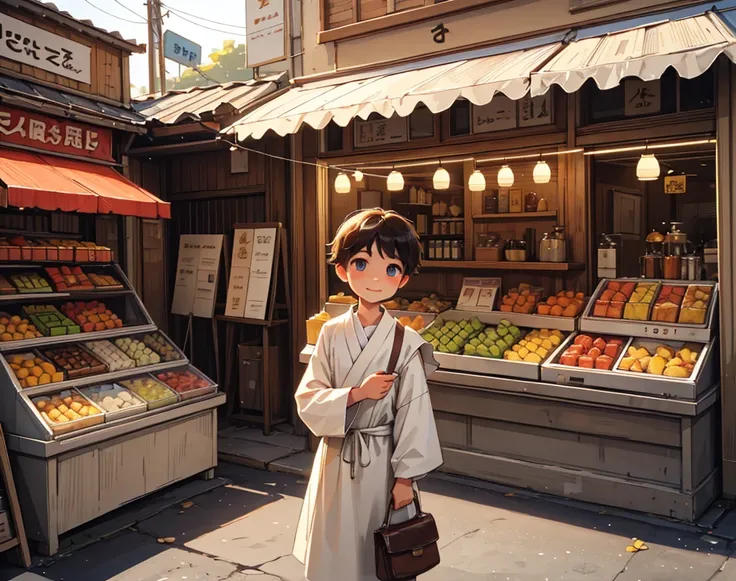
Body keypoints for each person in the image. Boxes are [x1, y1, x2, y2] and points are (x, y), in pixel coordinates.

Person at [293, 208, 443, 581]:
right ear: (343, 270)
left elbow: (415, 414)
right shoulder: (330, 333)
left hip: (382, 462)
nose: (376, 277)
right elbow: (308, 397)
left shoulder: (406, 343)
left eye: (390, 268)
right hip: (335, 457)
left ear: (403, 277)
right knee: (336, 549)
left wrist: (406, 480)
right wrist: (357, 394)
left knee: (378, 552)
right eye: (361, 263)